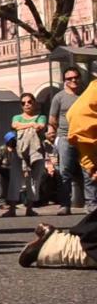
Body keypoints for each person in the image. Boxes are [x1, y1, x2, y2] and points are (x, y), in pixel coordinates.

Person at [19, 79, 97, 268]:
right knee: (64, 175)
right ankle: (61, 246)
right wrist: (92, 163)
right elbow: (80, 114)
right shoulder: (61, 98)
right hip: (66, 140)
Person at [48, 67, 87, 215]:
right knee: (65, 172)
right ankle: (65, 205)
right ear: (65, 81)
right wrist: (52, 133)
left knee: (87, 171)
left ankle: (91, 205)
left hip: (84, 137)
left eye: (76, 77)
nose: (73, 80)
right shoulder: (59, 97)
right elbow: (52, 119)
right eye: (69, 78)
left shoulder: (85, 95)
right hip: (65, 137)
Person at [6, 93, 47, 217]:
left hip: (36, 151)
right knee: (15, 178)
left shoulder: (41, 117)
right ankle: (12, 209)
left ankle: (30, 208)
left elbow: (41, 126)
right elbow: (15, 125)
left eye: (29, 102)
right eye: (23, 103)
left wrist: (30, 126)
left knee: (34, 179)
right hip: (19, 152)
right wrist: (31, 125)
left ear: (34, 102)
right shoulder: (17, 117)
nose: (27, 104)